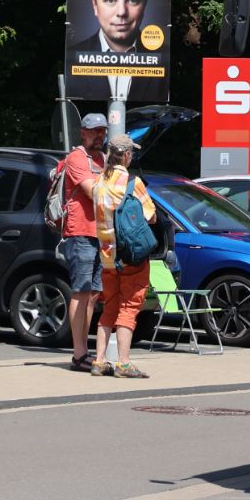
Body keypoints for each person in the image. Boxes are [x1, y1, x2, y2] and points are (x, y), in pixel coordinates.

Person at [89, 134, 156, 378]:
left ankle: (99, 361)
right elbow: (151, 215)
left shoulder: (98, 183)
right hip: (131, 255)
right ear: (126, 155)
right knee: (129, 307)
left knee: (110, 306)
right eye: (132, 153)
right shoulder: (131, 182)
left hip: (107, 255)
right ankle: (124, 364)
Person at [65, 0, 167, 102]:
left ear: (144, 5)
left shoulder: (164, 61)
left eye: (132, 0)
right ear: (95, 5)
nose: (121, 12)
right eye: (110, 0)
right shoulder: (72, 60)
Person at [59, 112, 108, 371]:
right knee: (81, 291)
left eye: (102, 130)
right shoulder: (77, 157)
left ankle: (84, 351)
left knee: (92, 295)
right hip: (80, 232)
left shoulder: (102, 158)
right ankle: (78, 353)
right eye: (94, 131)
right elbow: (95, 192)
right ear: (83, 132)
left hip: (101, 234)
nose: (99, 135)